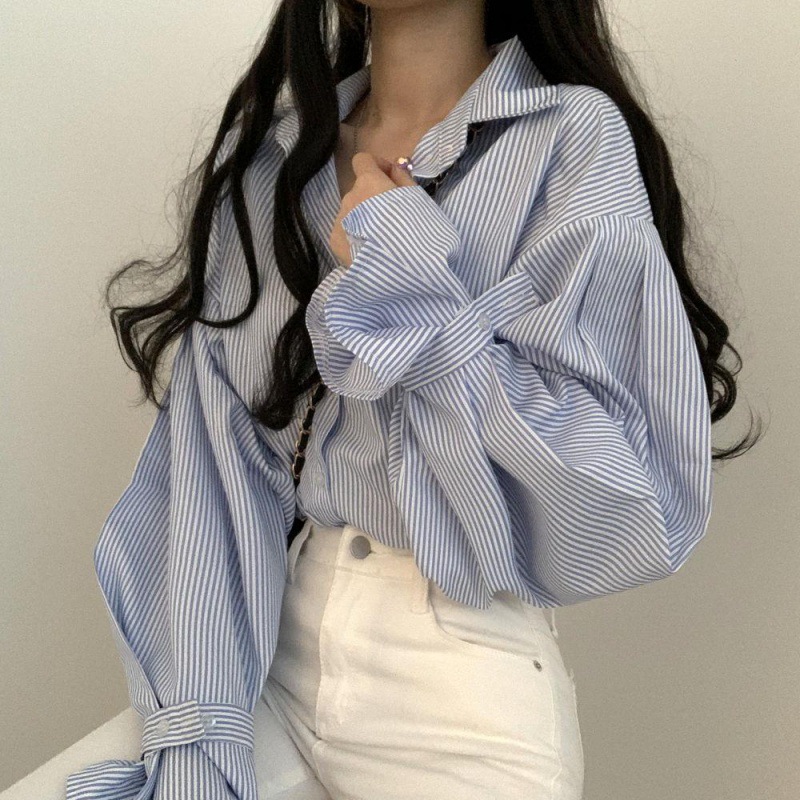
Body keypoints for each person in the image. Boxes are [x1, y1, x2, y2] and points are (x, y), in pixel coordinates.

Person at [64, 1, 758, 798]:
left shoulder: (568, 139)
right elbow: (214, 481)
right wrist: (200, 739)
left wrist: (406, 279)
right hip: (267, 660)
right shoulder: (269, 163)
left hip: (458, 689)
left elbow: (621, 503)